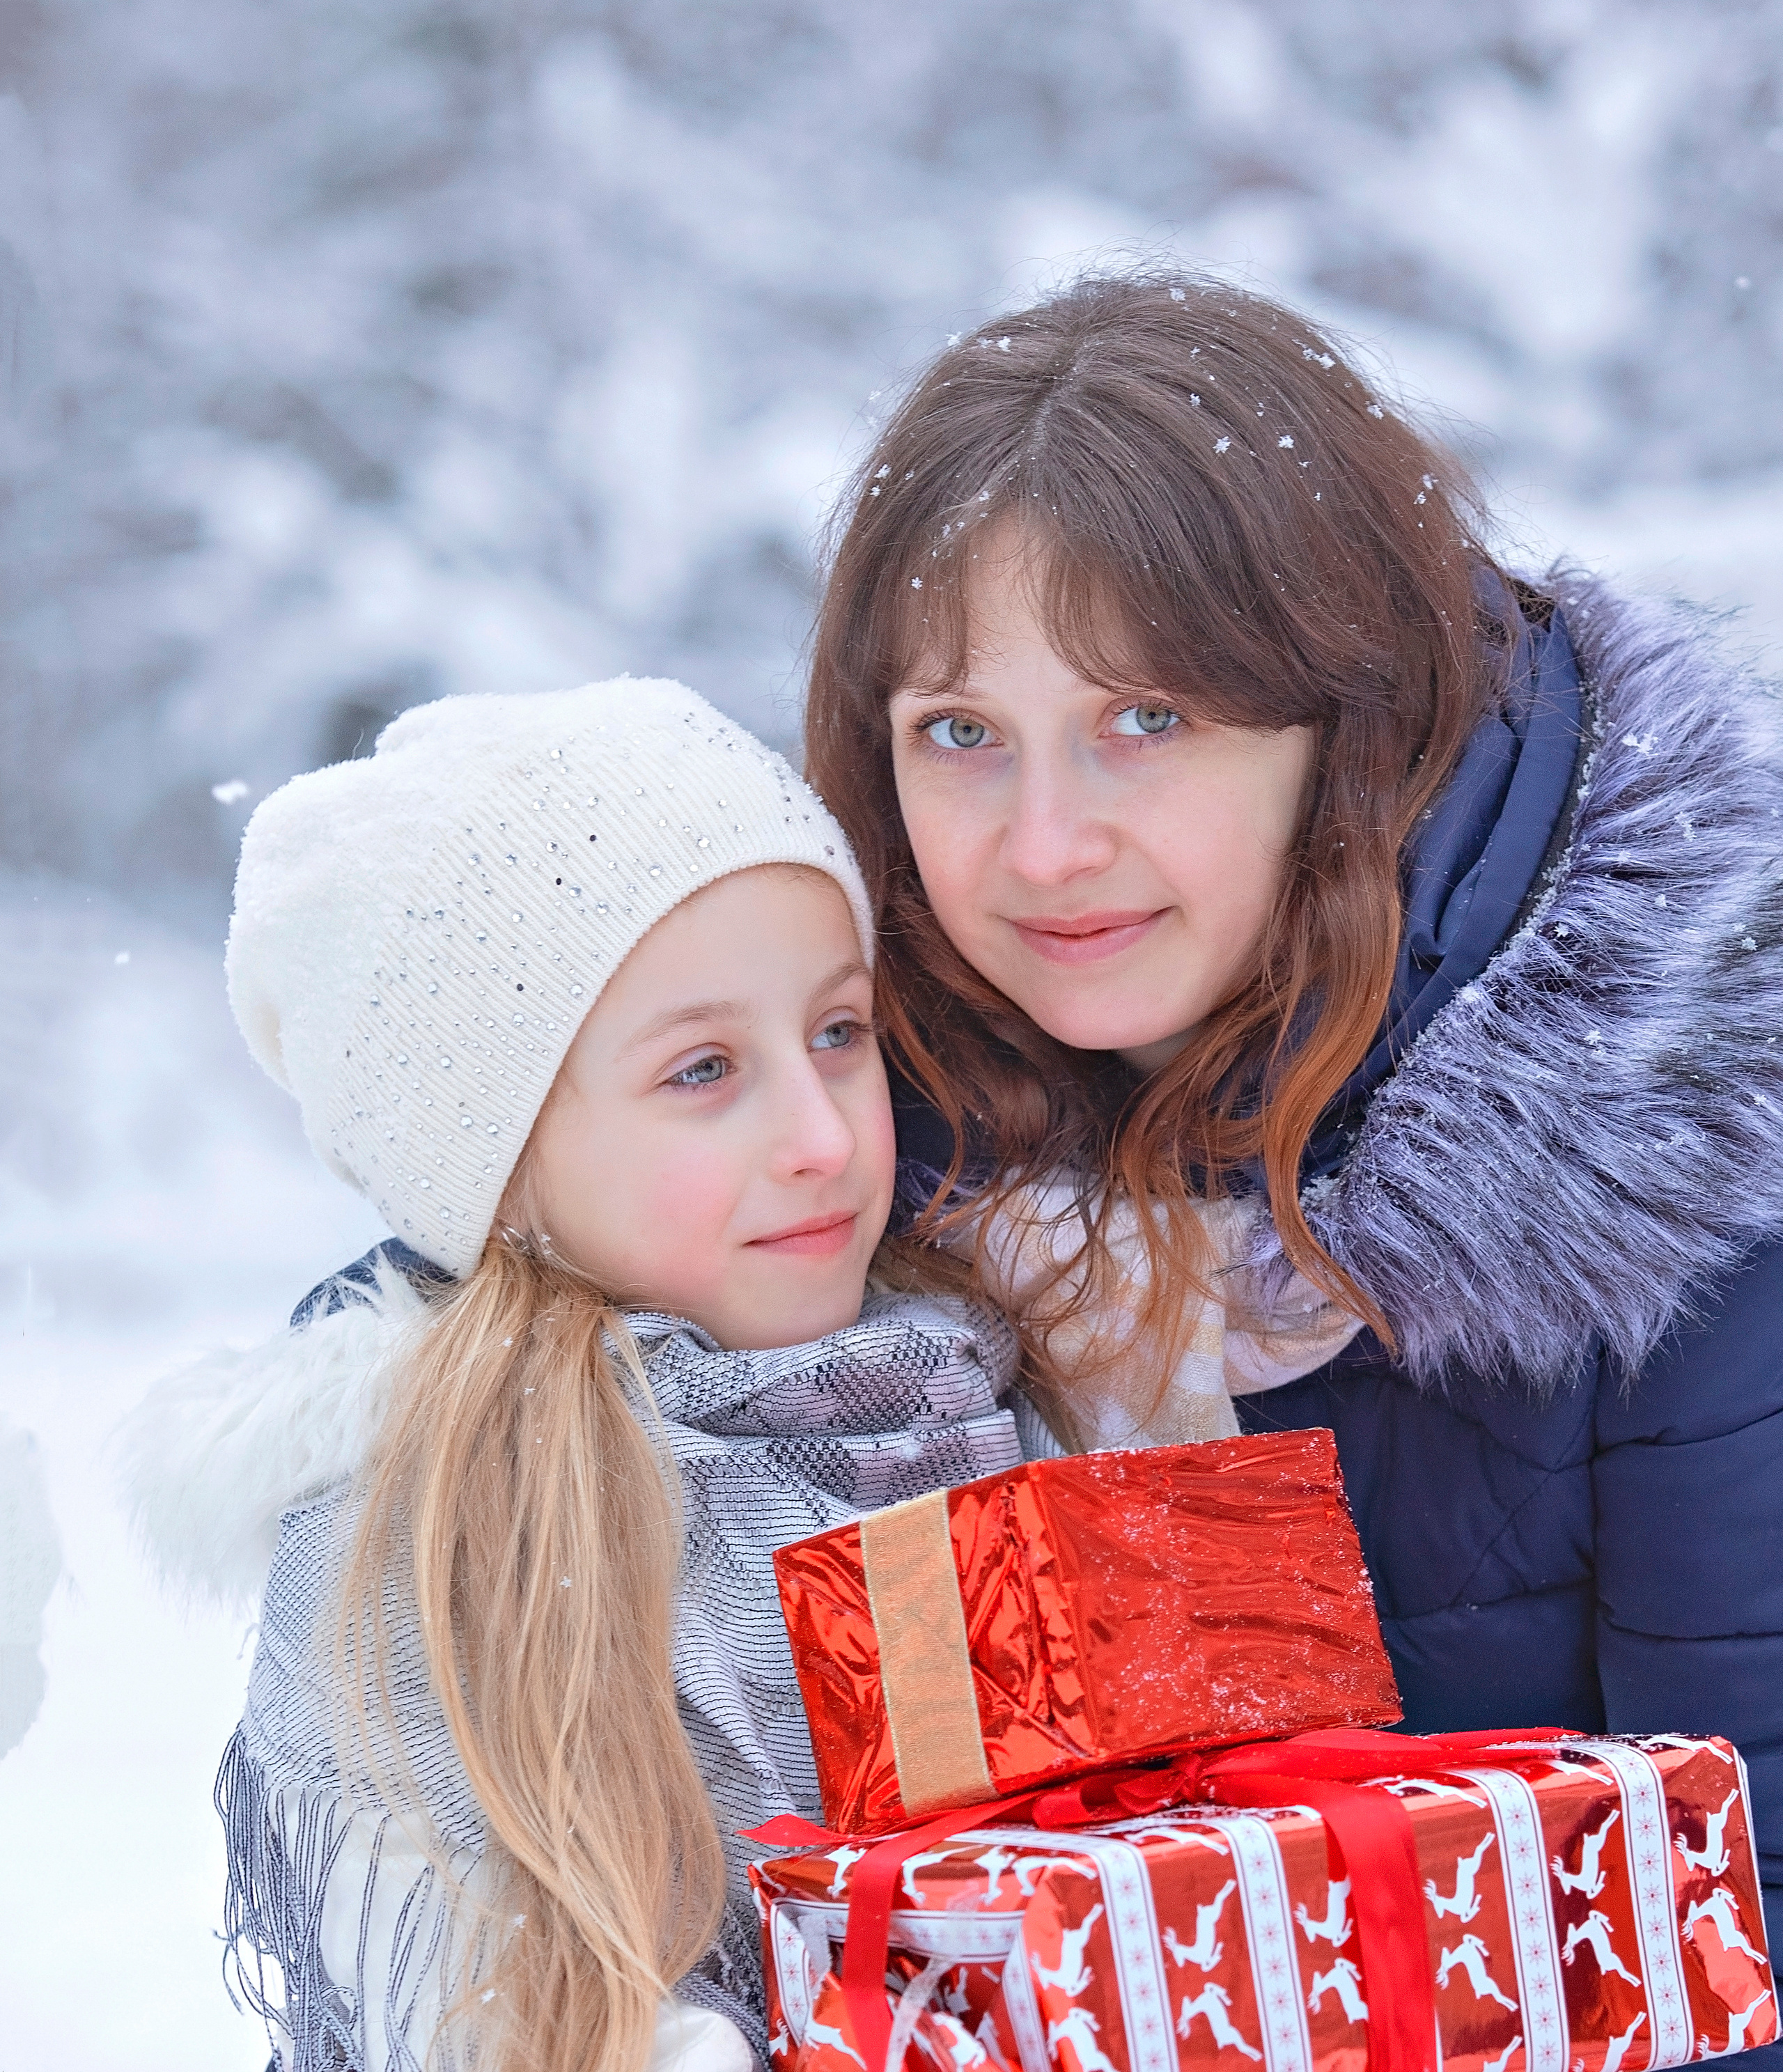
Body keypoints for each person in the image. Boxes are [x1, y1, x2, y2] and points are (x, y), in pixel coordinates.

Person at [804, 272, 1783, 1993]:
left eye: (1146, 721)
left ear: (1349, 723)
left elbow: (1745, 1922)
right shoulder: (855, 1151)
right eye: (960, 735)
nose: (1040, 848)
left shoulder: (1685, 1175)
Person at [123, 681, 1047, 2072]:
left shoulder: (974, 1391)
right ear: (495, 1169)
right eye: (701, 1070)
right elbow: (463, 2001)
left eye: (837, 1033)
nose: (819, 1135)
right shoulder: (432, 1533)